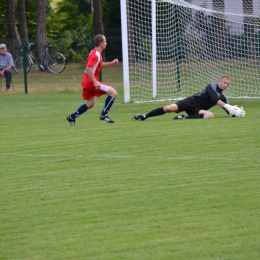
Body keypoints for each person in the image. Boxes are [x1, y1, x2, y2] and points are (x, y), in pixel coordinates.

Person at [134, 75, 245, 121]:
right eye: (224, 82)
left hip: (198, 109)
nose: (226, 85)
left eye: (228, 84)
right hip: (191, 101)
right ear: (219, 81)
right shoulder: (212, 85)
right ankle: (145, 115)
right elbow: (215, 100)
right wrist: (227, 106)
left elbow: (228, 111)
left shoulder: (224, 97)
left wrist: (236, 113)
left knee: (210, 115)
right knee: (168, 108)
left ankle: (183, 117)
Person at [66, 34, 119, 125]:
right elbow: (88, 68)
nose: (106, 43)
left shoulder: (95, 52)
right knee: (113, 93)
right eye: (105, 41)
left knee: (90, 104)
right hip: (91, 82)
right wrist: (95, 82)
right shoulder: (96, 55)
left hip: (87, 82)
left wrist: (111, 63)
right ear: (101, 44)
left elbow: (99, 64)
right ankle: (104, 114)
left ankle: (72, 117)